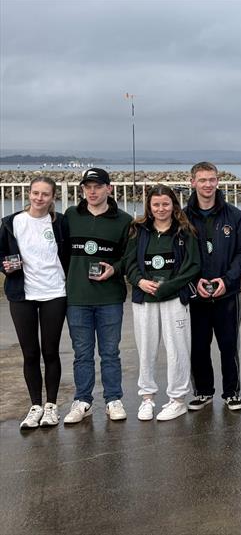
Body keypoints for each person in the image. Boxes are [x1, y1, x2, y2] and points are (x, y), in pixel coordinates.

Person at [124, 185, 201, 421]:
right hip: (144, 298)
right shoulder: (138, 230)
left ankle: (177, 399)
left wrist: (168, 286)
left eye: (165, 204)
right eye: (156, 204)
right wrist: (140, 282)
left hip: (174, 299)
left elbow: (193, 265)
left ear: (173, 205)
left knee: (177, 349)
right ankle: (147, 398)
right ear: (149, 206)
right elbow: (129, 263)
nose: (160, 209)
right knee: (146, 349)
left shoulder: (184, 231)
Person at [63, 168, 133, 424]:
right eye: (87, 187)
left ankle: (113, 399)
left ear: (109, 188)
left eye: (97, 186)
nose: (92, 191)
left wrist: (114, 269)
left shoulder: (123, 220)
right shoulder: (70, 216)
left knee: (110, 352)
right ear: (82, 189)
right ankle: (83, 400)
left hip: (110, 298)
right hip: (77, 298)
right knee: (82, 353)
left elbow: (130, 258)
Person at [0, 176, 70, 428]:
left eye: (45, 194)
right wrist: (5, 266)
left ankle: (51, 405)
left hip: (54, 292)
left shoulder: (60, 222)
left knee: (50, 351)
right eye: (35, 193)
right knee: (30, 353)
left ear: (53, 198)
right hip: (22, 294)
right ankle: (35, 406)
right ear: (28, 194)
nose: (39, 198)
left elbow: (71, 254)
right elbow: (1, 254)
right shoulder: (11, 222)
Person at [183, 162, 241, 412]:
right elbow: (180, 255)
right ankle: (202, 392)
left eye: (211, 179)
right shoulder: (183, 216)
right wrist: (194, 280)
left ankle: (231, 392)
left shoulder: (235, 216)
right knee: (198, 345)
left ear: (218, 181)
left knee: (228, 344)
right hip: (195, 292)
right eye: (202, 180)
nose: (207, 185)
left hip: (227, 292)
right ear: (193, 183)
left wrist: (227, 280)